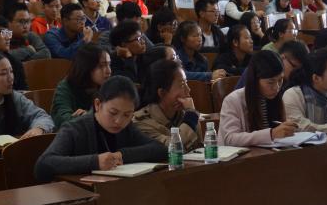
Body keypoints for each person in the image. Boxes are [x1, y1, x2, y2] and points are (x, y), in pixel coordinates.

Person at [34, 75, 167, 182]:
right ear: (98, 104)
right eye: (113, 113)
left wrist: (122, 155)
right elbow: (44, 164)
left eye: (127, 115)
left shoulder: (127, 128)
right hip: (79, 194)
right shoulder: (74, 129)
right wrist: (95, 161)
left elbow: (160, 149)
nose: (119, 121)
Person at [219, 50, 298, 146]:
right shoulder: (233, 100)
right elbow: (230, 139)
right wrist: (271, 134)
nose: (277, 87)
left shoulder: (277, 98)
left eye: (280, 80)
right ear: (255, 80)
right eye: (270, 82)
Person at [132, 58, 202, 152]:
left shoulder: (184, 114)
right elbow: (172, 149)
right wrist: (190, 118)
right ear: (162, 93)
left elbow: (199, 148)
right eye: (182, 85)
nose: (188, 90)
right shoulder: (141, 123)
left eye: (186, 83)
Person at [52, 43, 112, 128]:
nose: (109, 71)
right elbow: (63, 119)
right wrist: (88, 118)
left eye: (109, 64)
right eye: (101, 66)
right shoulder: (65, 87)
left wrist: (89, 116)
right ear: (86, 67)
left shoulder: (109, 85)